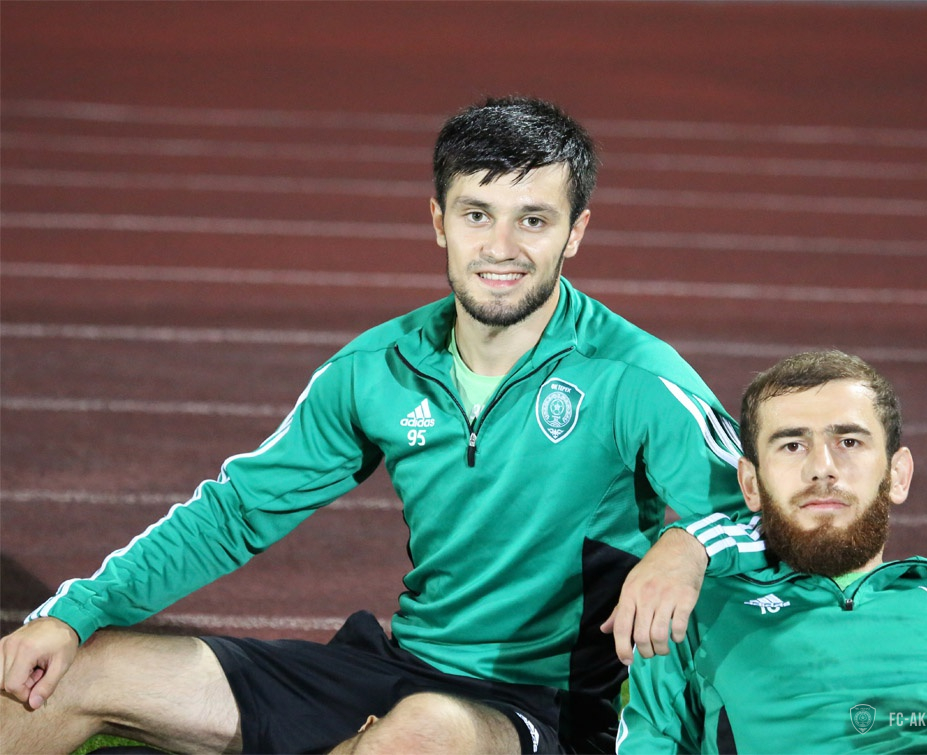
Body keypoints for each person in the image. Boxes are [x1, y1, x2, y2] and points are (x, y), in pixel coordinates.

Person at [0, 96, 764, 755]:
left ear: (576, 232)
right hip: (396, 669)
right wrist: (71, 614)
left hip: (545, 709)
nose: (501, 248)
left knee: (421, 731)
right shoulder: (378, 367)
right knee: (56, 673)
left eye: (533, 219)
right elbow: (236, 512)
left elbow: (771, 515)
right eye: (477, 214)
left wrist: (689, 542)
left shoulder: (636, 375)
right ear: (438, 221)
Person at [616, 350, 927, 754]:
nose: (822, 467)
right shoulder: (692, 612)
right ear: (750, 485)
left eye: (849, 442)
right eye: (793, 445)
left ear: (897, 475)